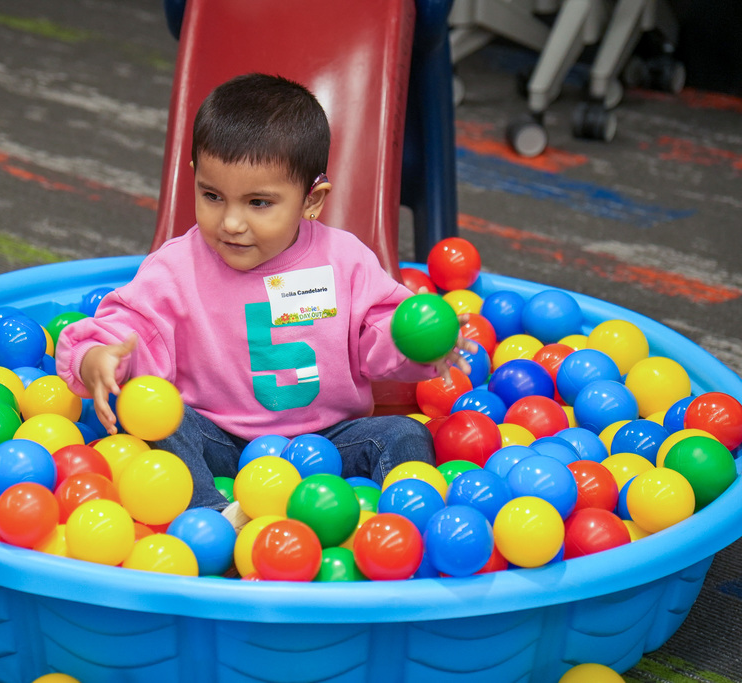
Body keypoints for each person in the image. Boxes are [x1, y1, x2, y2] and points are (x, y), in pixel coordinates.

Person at [56, 73, 473, 515]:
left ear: (312, 200)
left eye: (258, 203)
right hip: (217, 440)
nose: (232, 222)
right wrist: (96, 357)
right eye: (213, 196)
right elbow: (130, 327)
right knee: (153, 416)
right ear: (195, 177)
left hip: (326, 448)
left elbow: (382, 333)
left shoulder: (344, 260)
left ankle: (396, 527)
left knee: (406, 436)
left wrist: (424, 344)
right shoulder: (177, 268)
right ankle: (213, 521)